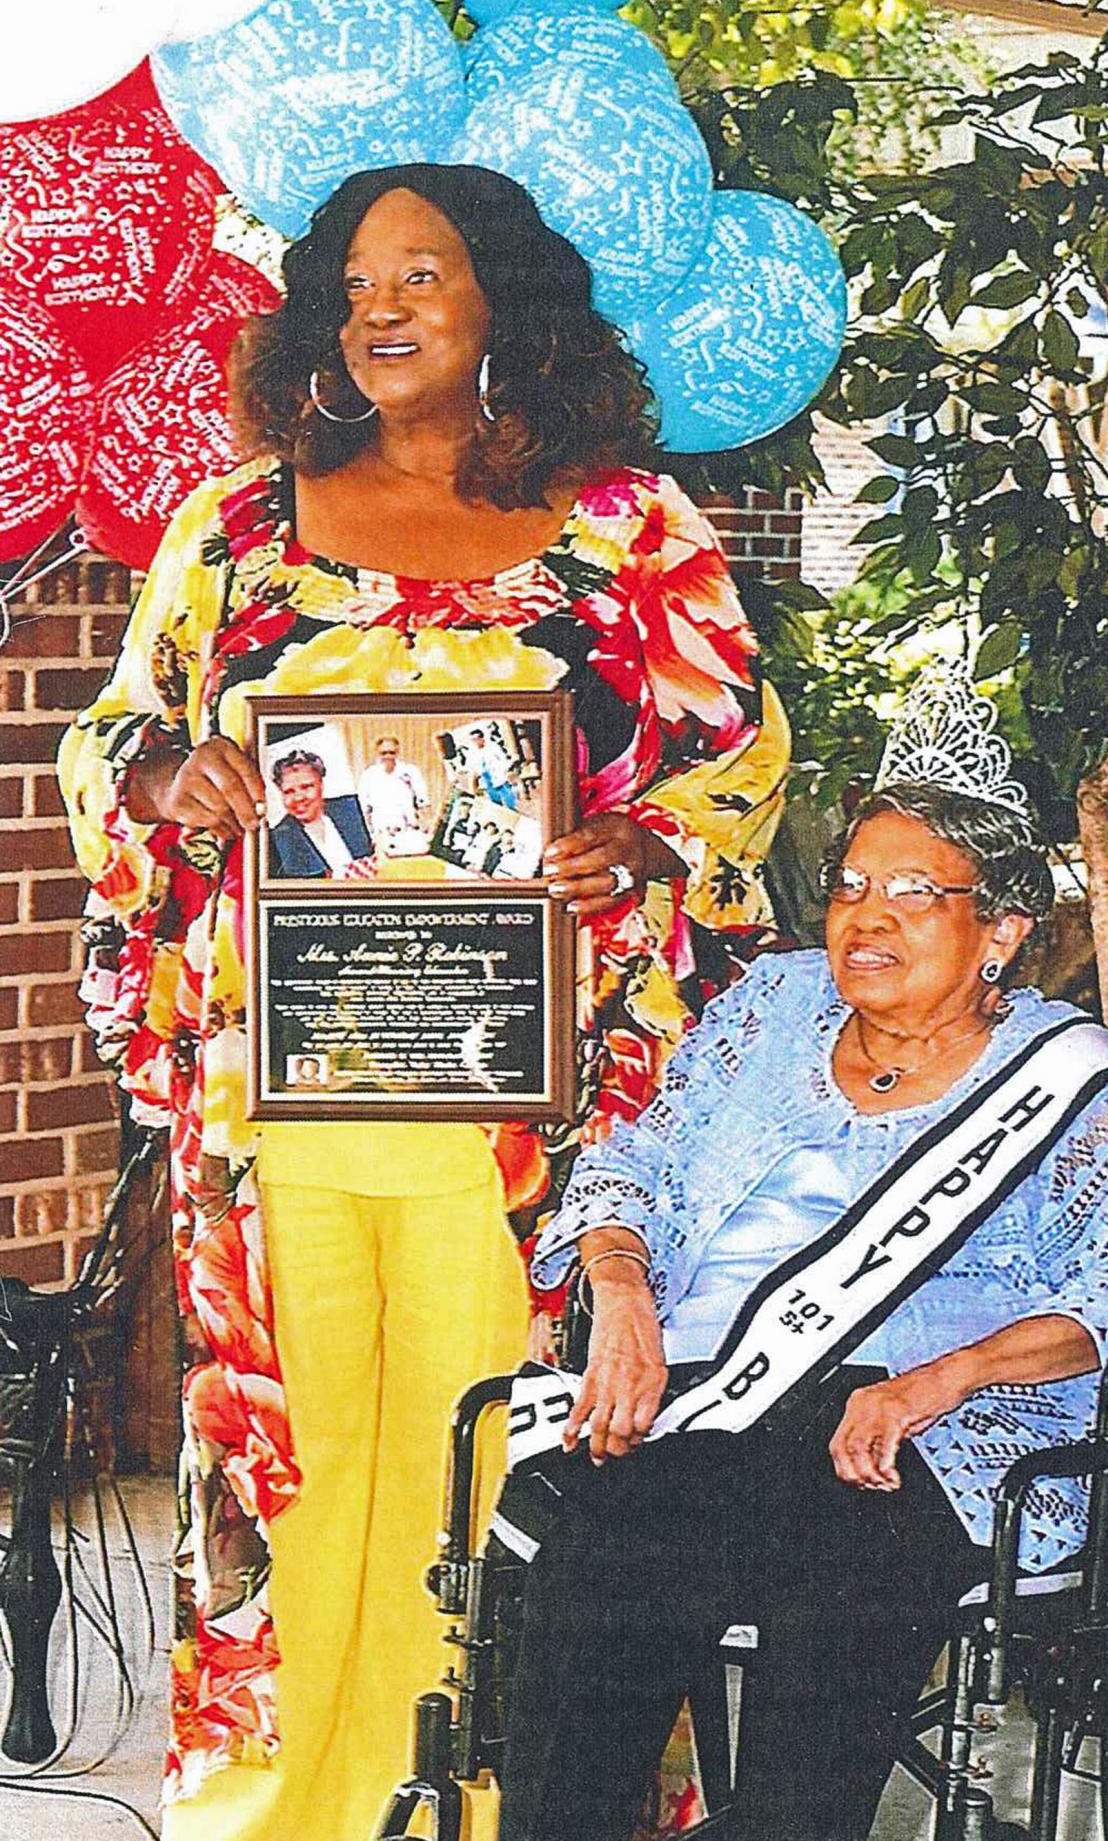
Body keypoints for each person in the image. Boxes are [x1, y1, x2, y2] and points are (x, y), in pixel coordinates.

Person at [56, 160, 788, 1841]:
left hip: (527, 1120)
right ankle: (287, 1815)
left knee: (503, 1476)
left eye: (424, 274)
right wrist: (172, 776)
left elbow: (733, 762)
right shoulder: (234, 534)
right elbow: (110, 738)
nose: (379, 306)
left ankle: (502, 1816)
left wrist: (639, 842)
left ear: (503, 308)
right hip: (281, 1105)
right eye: (355, 280)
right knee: (294, 1471)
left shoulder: (629, 535)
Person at [496, 667, 1108, 1841]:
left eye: (913, 893)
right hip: (716, 1398)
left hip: (924, 1434)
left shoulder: (1072, 1078)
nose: (866, 917)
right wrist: (623, 1291)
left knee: (836, 1586)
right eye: (850, 886)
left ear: (1002, 931)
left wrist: (947, 1378)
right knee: (605, 1556)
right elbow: (638, 1160)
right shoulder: (771, 1007)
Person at [268, 748, 373, 877]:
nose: (299, 797)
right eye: (289, 791)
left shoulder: (351, 809)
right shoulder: (277, 839)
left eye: (307, 787)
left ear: (321, 785)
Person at [358, 736, 429, 849]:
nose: (388, 756)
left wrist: (425, 826)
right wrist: (369, 835)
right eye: (384, 753)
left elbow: (423, 801)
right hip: (381, 831)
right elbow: (364, 809)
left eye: (391, 752)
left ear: (397, 752)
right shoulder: (369, 775)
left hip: (408, 829)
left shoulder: (410, 771)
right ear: (378, 753)